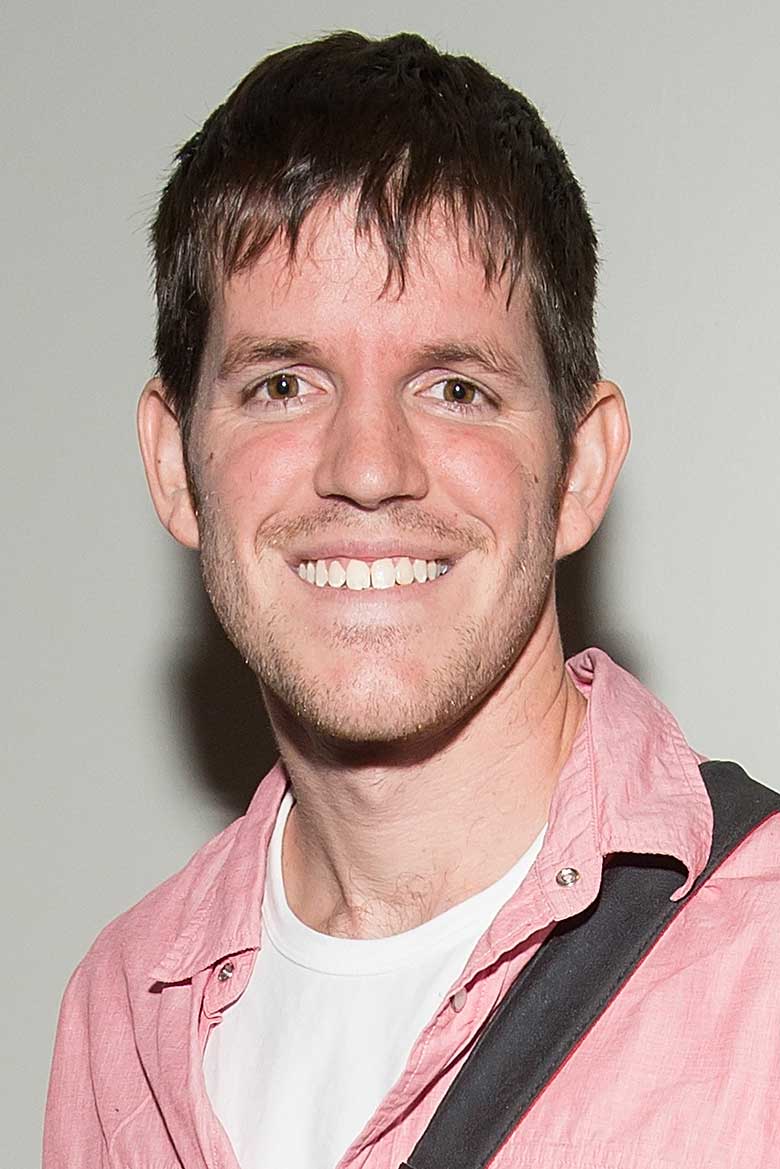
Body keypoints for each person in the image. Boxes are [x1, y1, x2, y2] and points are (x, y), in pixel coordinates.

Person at [44, 30, 780, 1169]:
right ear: (173, 462)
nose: (371, 463)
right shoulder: (121, 1014)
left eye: (455, 386)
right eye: (284, 383)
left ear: (580, 466)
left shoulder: (762, 965)